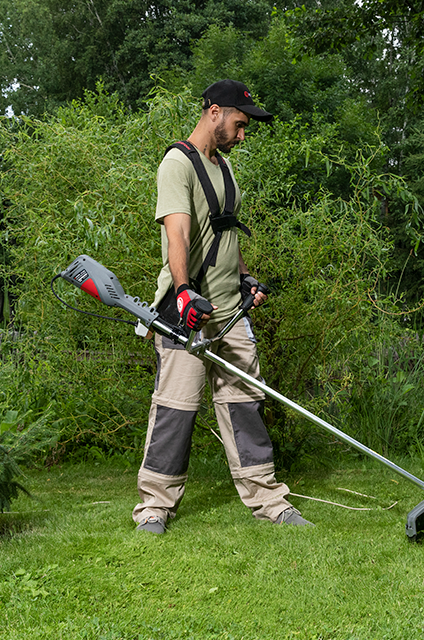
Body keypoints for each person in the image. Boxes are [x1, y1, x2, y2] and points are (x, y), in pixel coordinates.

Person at [132, 79, 313, 534]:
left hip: (230, 311)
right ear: (214, 112)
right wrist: (183, 292)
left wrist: (245, 278)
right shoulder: (177, 164)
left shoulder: (225, 170)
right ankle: (155, 506)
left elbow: (223, 238)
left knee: (245, 403)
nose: (242, 133)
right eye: (239, 123)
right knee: (176, 409)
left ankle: (269, 500)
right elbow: (179, 234)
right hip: (187, 311)